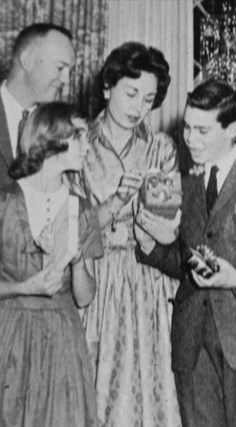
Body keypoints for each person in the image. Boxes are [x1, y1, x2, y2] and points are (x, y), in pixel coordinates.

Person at [134, 79, 236, 427]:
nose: (190, 139)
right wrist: (151, 247)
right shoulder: (186, 183)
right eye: (187, 129)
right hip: (193, 340)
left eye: (202, 130)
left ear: (234, 129)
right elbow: (189, 261)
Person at [71, 42, 181, 426]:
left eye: (149, 100)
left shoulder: (161, 148)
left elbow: (169, 234)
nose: (138, 108)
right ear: (108, 87)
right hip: (94, 281)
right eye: (131, 94)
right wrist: (117, 202)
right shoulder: (78, 143)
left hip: (145, 286)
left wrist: (152, 219)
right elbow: (71, 230)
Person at [0, 102, 102, 426]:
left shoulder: (81, 208)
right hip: (8, 333)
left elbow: (86, 297)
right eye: (80, 137)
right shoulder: (0, 202)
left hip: (61, 334)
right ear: (52, 138)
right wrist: (22, 287)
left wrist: (76, 261)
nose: (88, 147)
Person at [0, 22, 75, 327]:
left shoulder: (62, 132)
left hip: (36, 319)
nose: (66, 81)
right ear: (28, 60)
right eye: (60, 68)